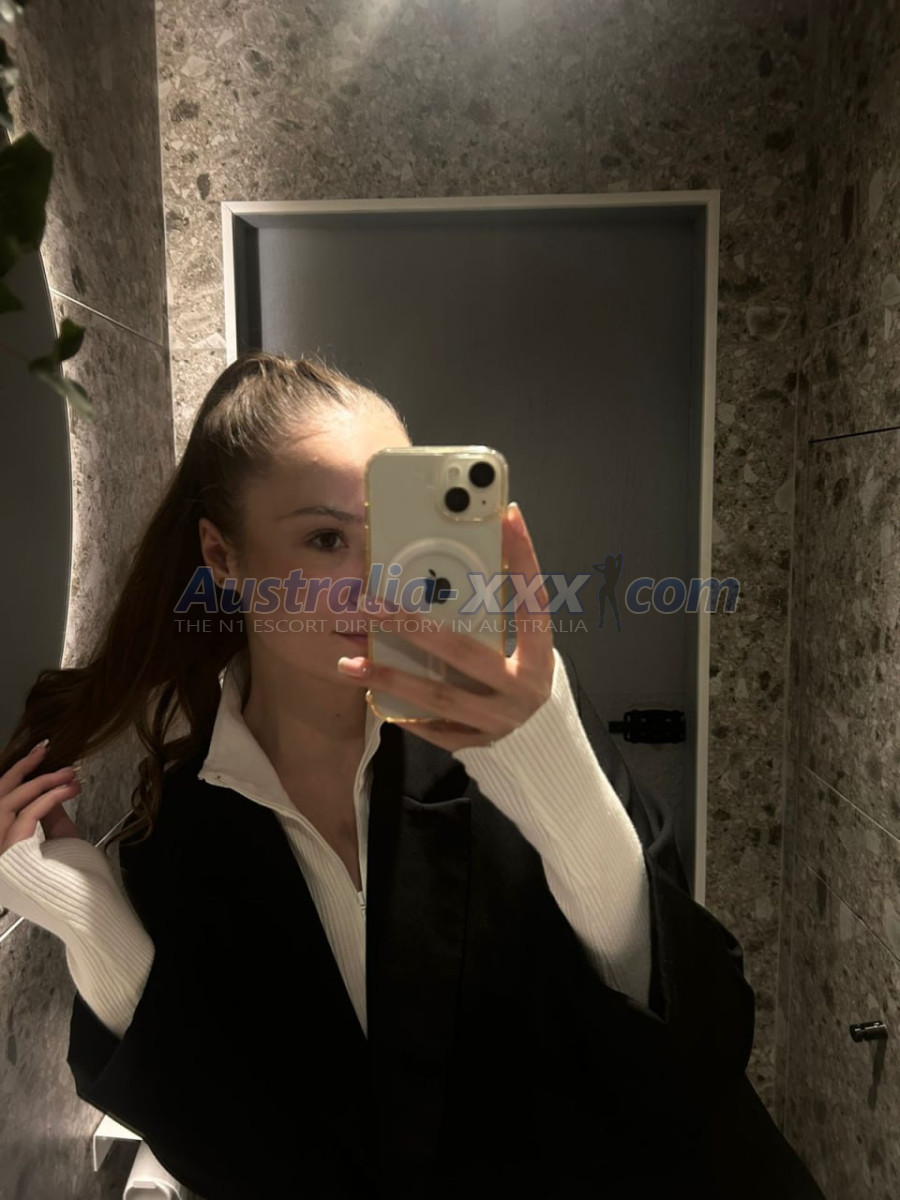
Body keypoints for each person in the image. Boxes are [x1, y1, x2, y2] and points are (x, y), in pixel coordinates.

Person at [0, 352, 824, 1200]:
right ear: (223, 555)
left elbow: (704, 1047)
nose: (379, 577)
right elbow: (245, 1163)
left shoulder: (517, 737)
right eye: (327, 539)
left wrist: (557, 776)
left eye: (393, 529)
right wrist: (93, 926)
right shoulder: (184, 837)